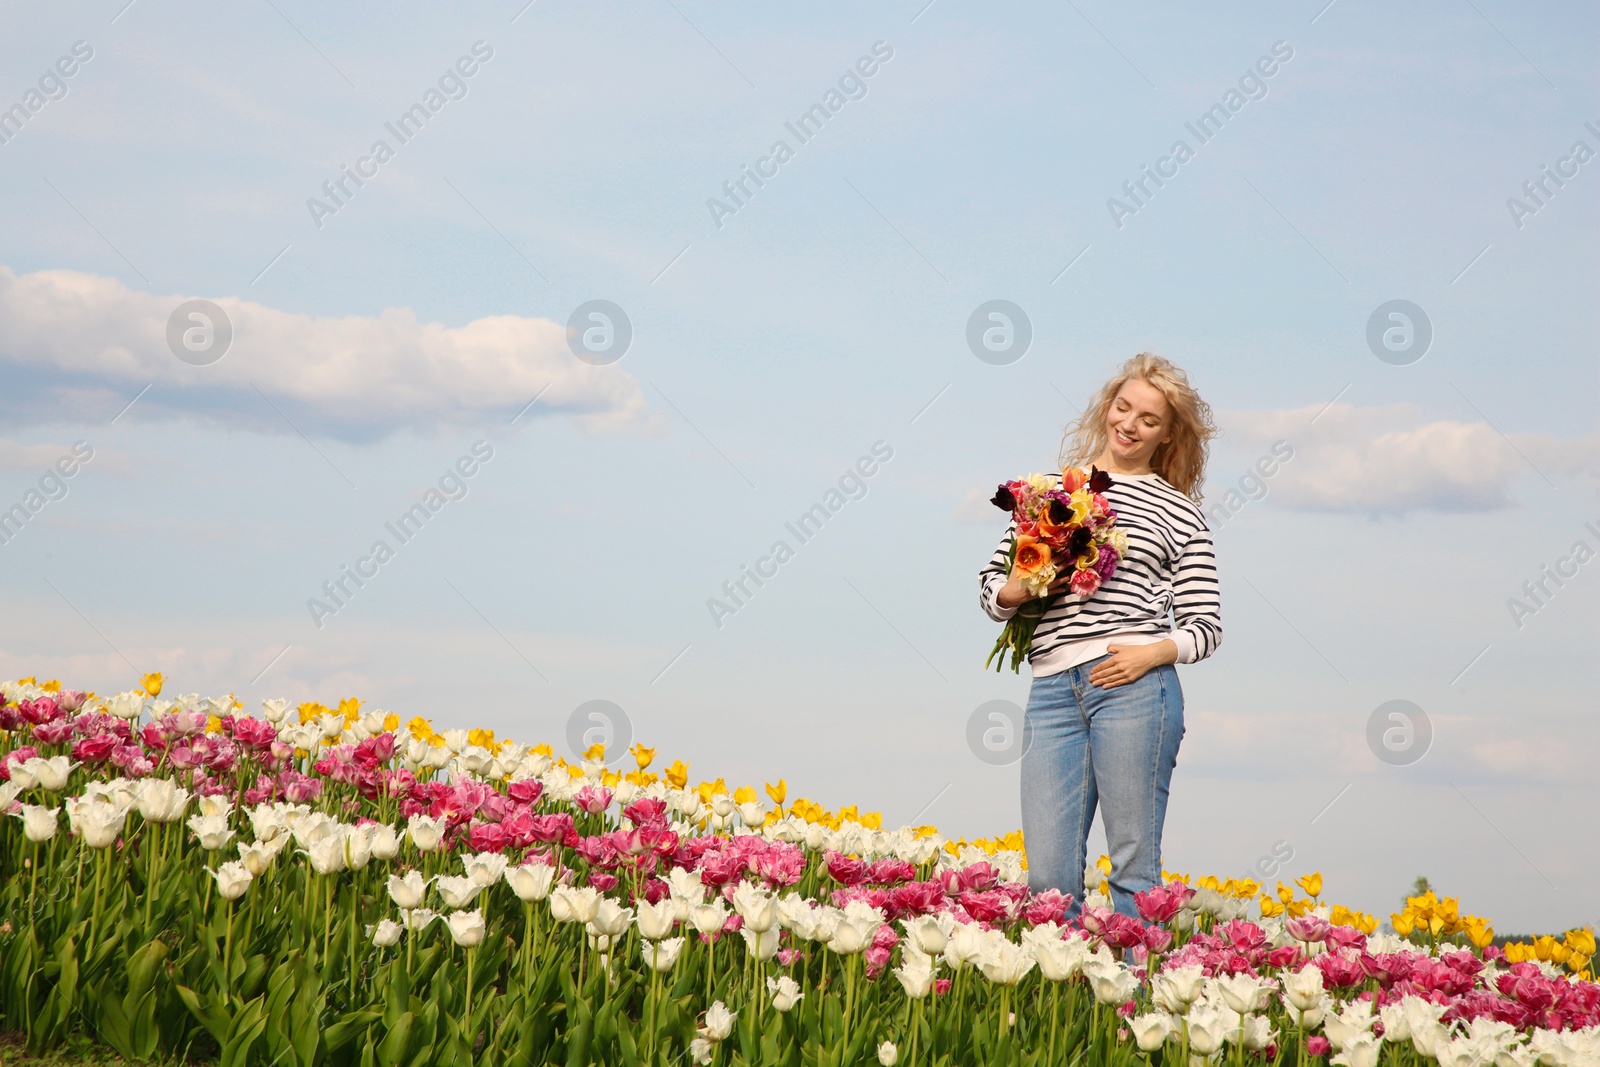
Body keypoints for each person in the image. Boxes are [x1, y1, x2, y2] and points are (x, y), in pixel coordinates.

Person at [978, 352, 1221, 920]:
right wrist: (1022, 587)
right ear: (1107, 408)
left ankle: (1129, 1006)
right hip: (1052, 690)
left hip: (1135, 688)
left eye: (1149, 419)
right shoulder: (1050, 491)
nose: (1130, 425)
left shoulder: (1182, 513)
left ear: (1167, 436)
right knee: (1048, 879)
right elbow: (993, 589)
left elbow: (1205, 627)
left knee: (1134, 868)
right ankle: (1066, 1002)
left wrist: (1151, 654)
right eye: (1123, 407)